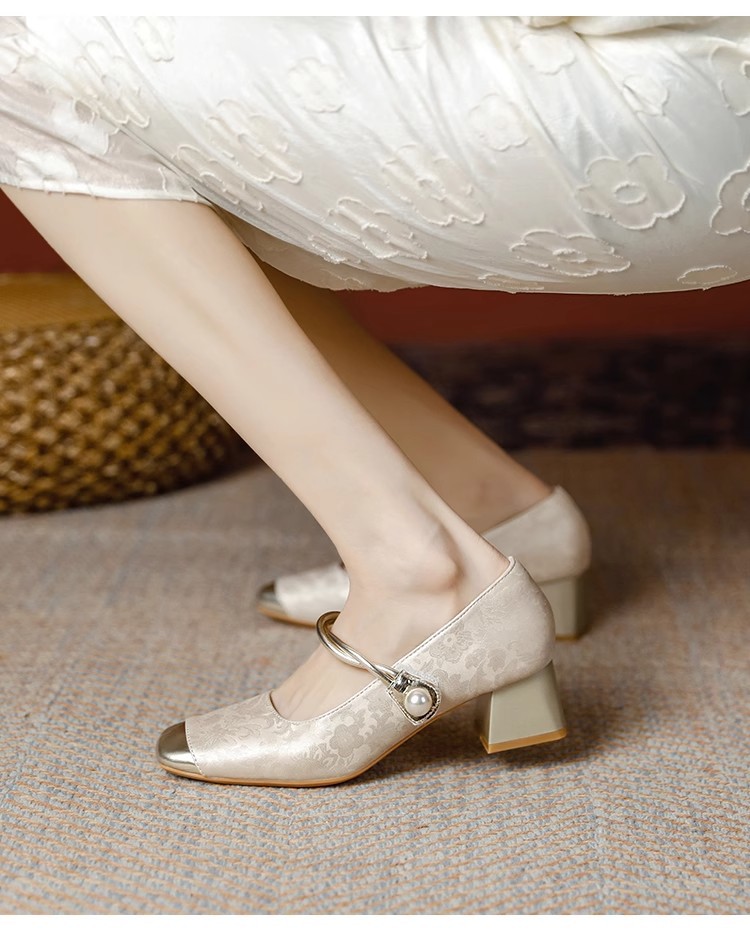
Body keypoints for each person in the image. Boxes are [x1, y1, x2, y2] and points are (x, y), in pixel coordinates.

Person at [2, 16, 748, 786]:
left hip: (672, 102)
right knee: (135, 51)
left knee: (22, 57)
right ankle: (485, 505)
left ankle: (420, 574)